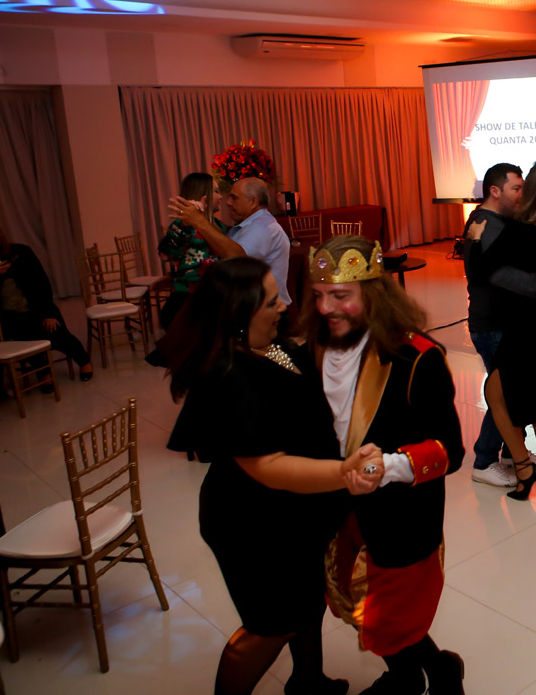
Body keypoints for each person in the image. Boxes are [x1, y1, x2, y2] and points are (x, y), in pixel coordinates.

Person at [164, 257, 373, 695]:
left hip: (292, 512)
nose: (283, 306)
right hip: (251, 524)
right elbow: (268, 467)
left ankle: (308, 682)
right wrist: (344, 472)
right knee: (270, 626)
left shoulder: (270, 345)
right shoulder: (226, 373)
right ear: (241, 312)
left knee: (306, 601)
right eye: (272, 301)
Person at [306, 234, 466, 695]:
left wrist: (389, 467)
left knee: (391, 615)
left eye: (341, 296)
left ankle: (422, 676)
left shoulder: (417, 359)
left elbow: (449, 450)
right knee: (356, 602)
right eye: (319, 295)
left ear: (374, 295)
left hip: (400, 517)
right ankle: (421, 672)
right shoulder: (310, 349)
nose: (326, 308)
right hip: (336, 512)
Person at [465, 160, 536, 500]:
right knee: (526, 392)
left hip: (522, 324)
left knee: (502, 394)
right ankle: (533, 462)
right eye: (516, 188)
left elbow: (486, 269)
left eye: (524, 188)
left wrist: (475, 241)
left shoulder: (515, 228)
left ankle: (511, 462)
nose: (520, 194)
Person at [0, 216, 93, 384]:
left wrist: (47, 313)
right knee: (26, 342)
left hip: (37, 308)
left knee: (57, 333)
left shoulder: (20, 252)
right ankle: (44, 374)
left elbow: (41, 282)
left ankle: (84, 361)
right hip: (9, 316)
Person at [170, 177, 292, 306]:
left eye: (234, 198)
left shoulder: (263, 226)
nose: (227, 202)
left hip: (267, 310)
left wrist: (199, 222)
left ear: (253, 202)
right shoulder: (243, 226)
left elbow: (236, 259)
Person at [157, 172, 225, 328]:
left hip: (212, 296)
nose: (221, 196)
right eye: (216, 191)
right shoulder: (182, 225)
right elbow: (165, 254)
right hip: (188, 300)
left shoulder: (217, 225)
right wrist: (185, 226)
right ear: (203, 196)